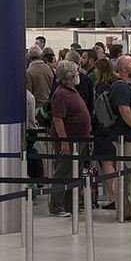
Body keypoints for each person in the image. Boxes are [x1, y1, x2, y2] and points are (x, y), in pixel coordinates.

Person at [47, 60, 90, 217]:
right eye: (76, 73)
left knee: (74, 172)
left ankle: (70, 204)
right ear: (69, 76)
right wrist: (64, 142)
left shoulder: (72, 91)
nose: (78, 75)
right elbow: (58, 120)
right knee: (63, 172)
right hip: (69, 141)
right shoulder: (61, 94)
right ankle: (56, 206)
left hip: (79, 140)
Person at [108, 55, 131, 221]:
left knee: (125, 175)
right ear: (123, 69)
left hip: (127, 136)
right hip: (126, 137)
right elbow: (125, 111)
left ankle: (124, 210)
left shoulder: (129, 86)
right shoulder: (121, 88)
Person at [91, 58, 118, 209]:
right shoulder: (116, 83)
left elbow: (99, 111)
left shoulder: (101, 87)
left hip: (103, 128)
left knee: (107, 162)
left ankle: (112, 196)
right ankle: (117, 195)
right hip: (115, 128)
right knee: (114, 161)